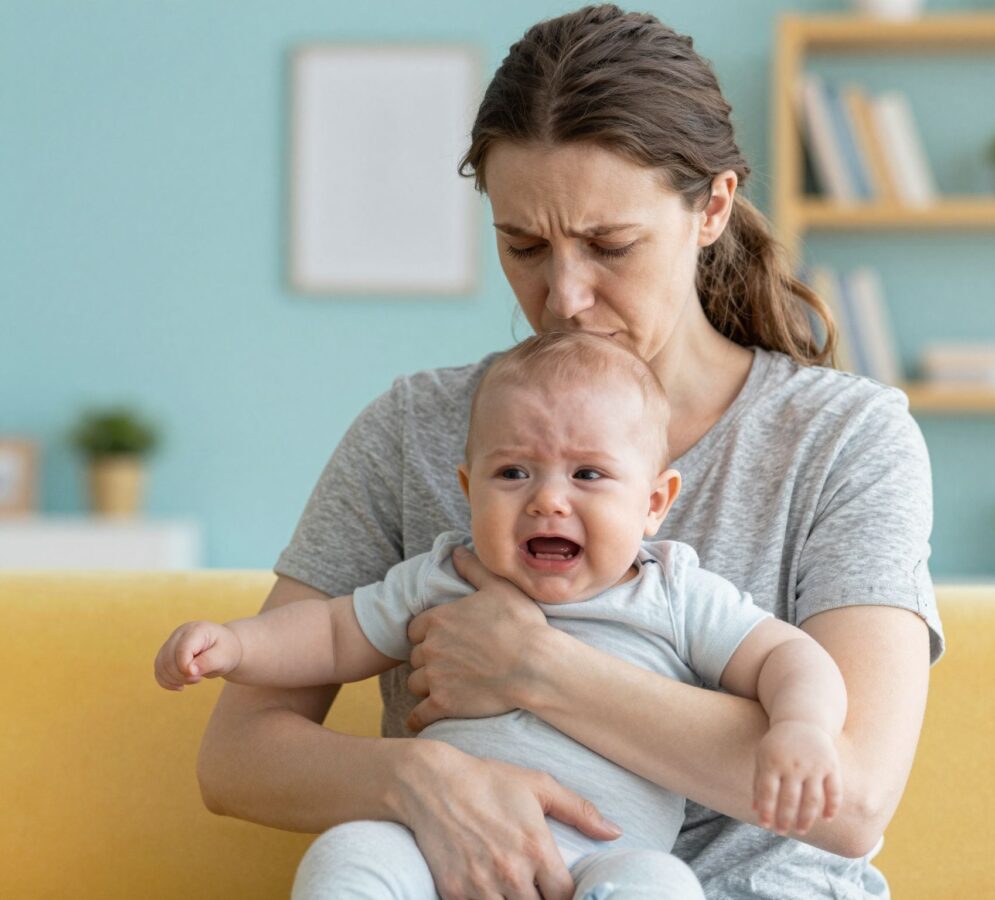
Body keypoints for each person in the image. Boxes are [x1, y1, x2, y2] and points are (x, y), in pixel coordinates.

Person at [195, 5, 946, 899]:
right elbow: (237, 755)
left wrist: (533, 667)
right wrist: (421, 780)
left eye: (610, 245)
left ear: (712, 208)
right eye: (524, 246)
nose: (565, 297)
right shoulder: (416, 428)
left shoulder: (841, 438)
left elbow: (847, 799)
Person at [157, 331, 849, 899]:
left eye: (588, 474)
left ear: (654, 502)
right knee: (352, 852)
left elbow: (789, 657)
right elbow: (335, 631)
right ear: (468, 487)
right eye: (513, 473)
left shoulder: (672, 591)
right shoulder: (444, 574)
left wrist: (804, 727)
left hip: (601, 867)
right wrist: (237, 644)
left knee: (662, 886)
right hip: (434, 855)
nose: (549, 500)